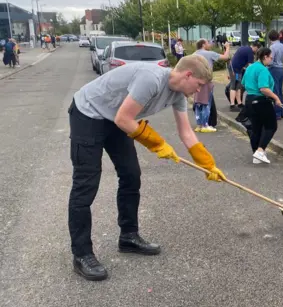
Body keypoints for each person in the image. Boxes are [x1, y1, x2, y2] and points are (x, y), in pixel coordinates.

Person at [67, 54, 226, 281]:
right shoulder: (151, 78)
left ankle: (129, 236)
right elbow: (124, 119)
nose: (199, 90)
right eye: (199, 85)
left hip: (115, 118)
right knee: (86, 184)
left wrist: (208, 165)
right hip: (88, 114)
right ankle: (81, 254)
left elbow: (186, 132)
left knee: (131, 176)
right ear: (188, 75)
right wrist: (157, 144)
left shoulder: (179, 94)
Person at [241, 47, 281, 164]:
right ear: (265, 57)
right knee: (271, 126)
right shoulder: (263, 70)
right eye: (270, 57)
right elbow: (263, 88)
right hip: (261, 100)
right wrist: (276, 97)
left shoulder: (250, 67)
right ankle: (260, 150)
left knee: (256, 128)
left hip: (249, 100)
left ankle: (256, 153)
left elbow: (243, 83)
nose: (271, 59)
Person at [193, 38, 231, 131]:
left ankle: (199, 125)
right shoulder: (209, 54)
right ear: (203, 45)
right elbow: (226, 57)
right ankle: (205, 125)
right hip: (206, 81)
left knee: (198, 103)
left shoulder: (193, 55)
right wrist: (227, 47)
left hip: (196, 82)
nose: (210, 44)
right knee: (206, 103)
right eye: (208, 43)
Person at [230, 41, 260, 111]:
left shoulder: (245, 47)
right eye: (257, 49)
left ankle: (239, 103)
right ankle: (232, 105)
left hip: (236, 68)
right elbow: (250, 66)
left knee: (238, 86)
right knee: (234, 86)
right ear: (255, 47)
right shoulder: (250, 53)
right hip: (235, 70)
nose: (257, 51)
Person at [267, 30, 283, 120]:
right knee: (280, 91)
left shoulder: (272, 47)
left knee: (275, 91)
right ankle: (282, 111)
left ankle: (277, 113)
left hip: (274, 69)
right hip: (281, 68)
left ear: (270, 38)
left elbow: (271, 60)